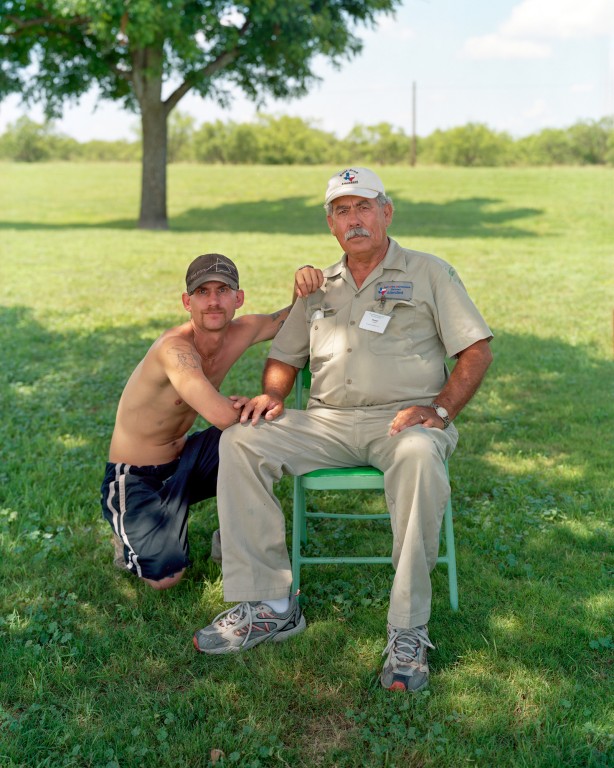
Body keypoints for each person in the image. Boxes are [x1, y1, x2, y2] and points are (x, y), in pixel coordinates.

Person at [193, 168, 493, 693]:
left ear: (386, 212)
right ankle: (271, 605)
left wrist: (440, 411)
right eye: (342, 211)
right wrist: (275, 395)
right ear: (330, 223)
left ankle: (407, 629)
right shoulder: (318, 286)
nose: (354, 220)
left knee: (421, 455)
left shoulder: (429, 273)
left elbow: (476, 350)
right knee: (240, 440)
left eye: (363, 207)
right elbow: (284, 356)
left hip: (403, 420)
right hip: (327, 420)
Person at [101, 253, 316, 590]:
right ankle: (131, 532)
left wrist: (300, 285)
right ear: (187, 301)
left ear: (238, 298)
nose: (213, 301)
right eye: (202, 292)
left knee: (255, 437)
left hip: (185, 459)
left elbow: (291, 320)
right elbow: (219, 416)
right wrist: (257, 406)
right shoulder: (175, 350)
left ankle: (234, 538)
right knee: (167, 580)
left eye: (222, 290)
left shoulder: (243, 330)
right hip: (138, 477)